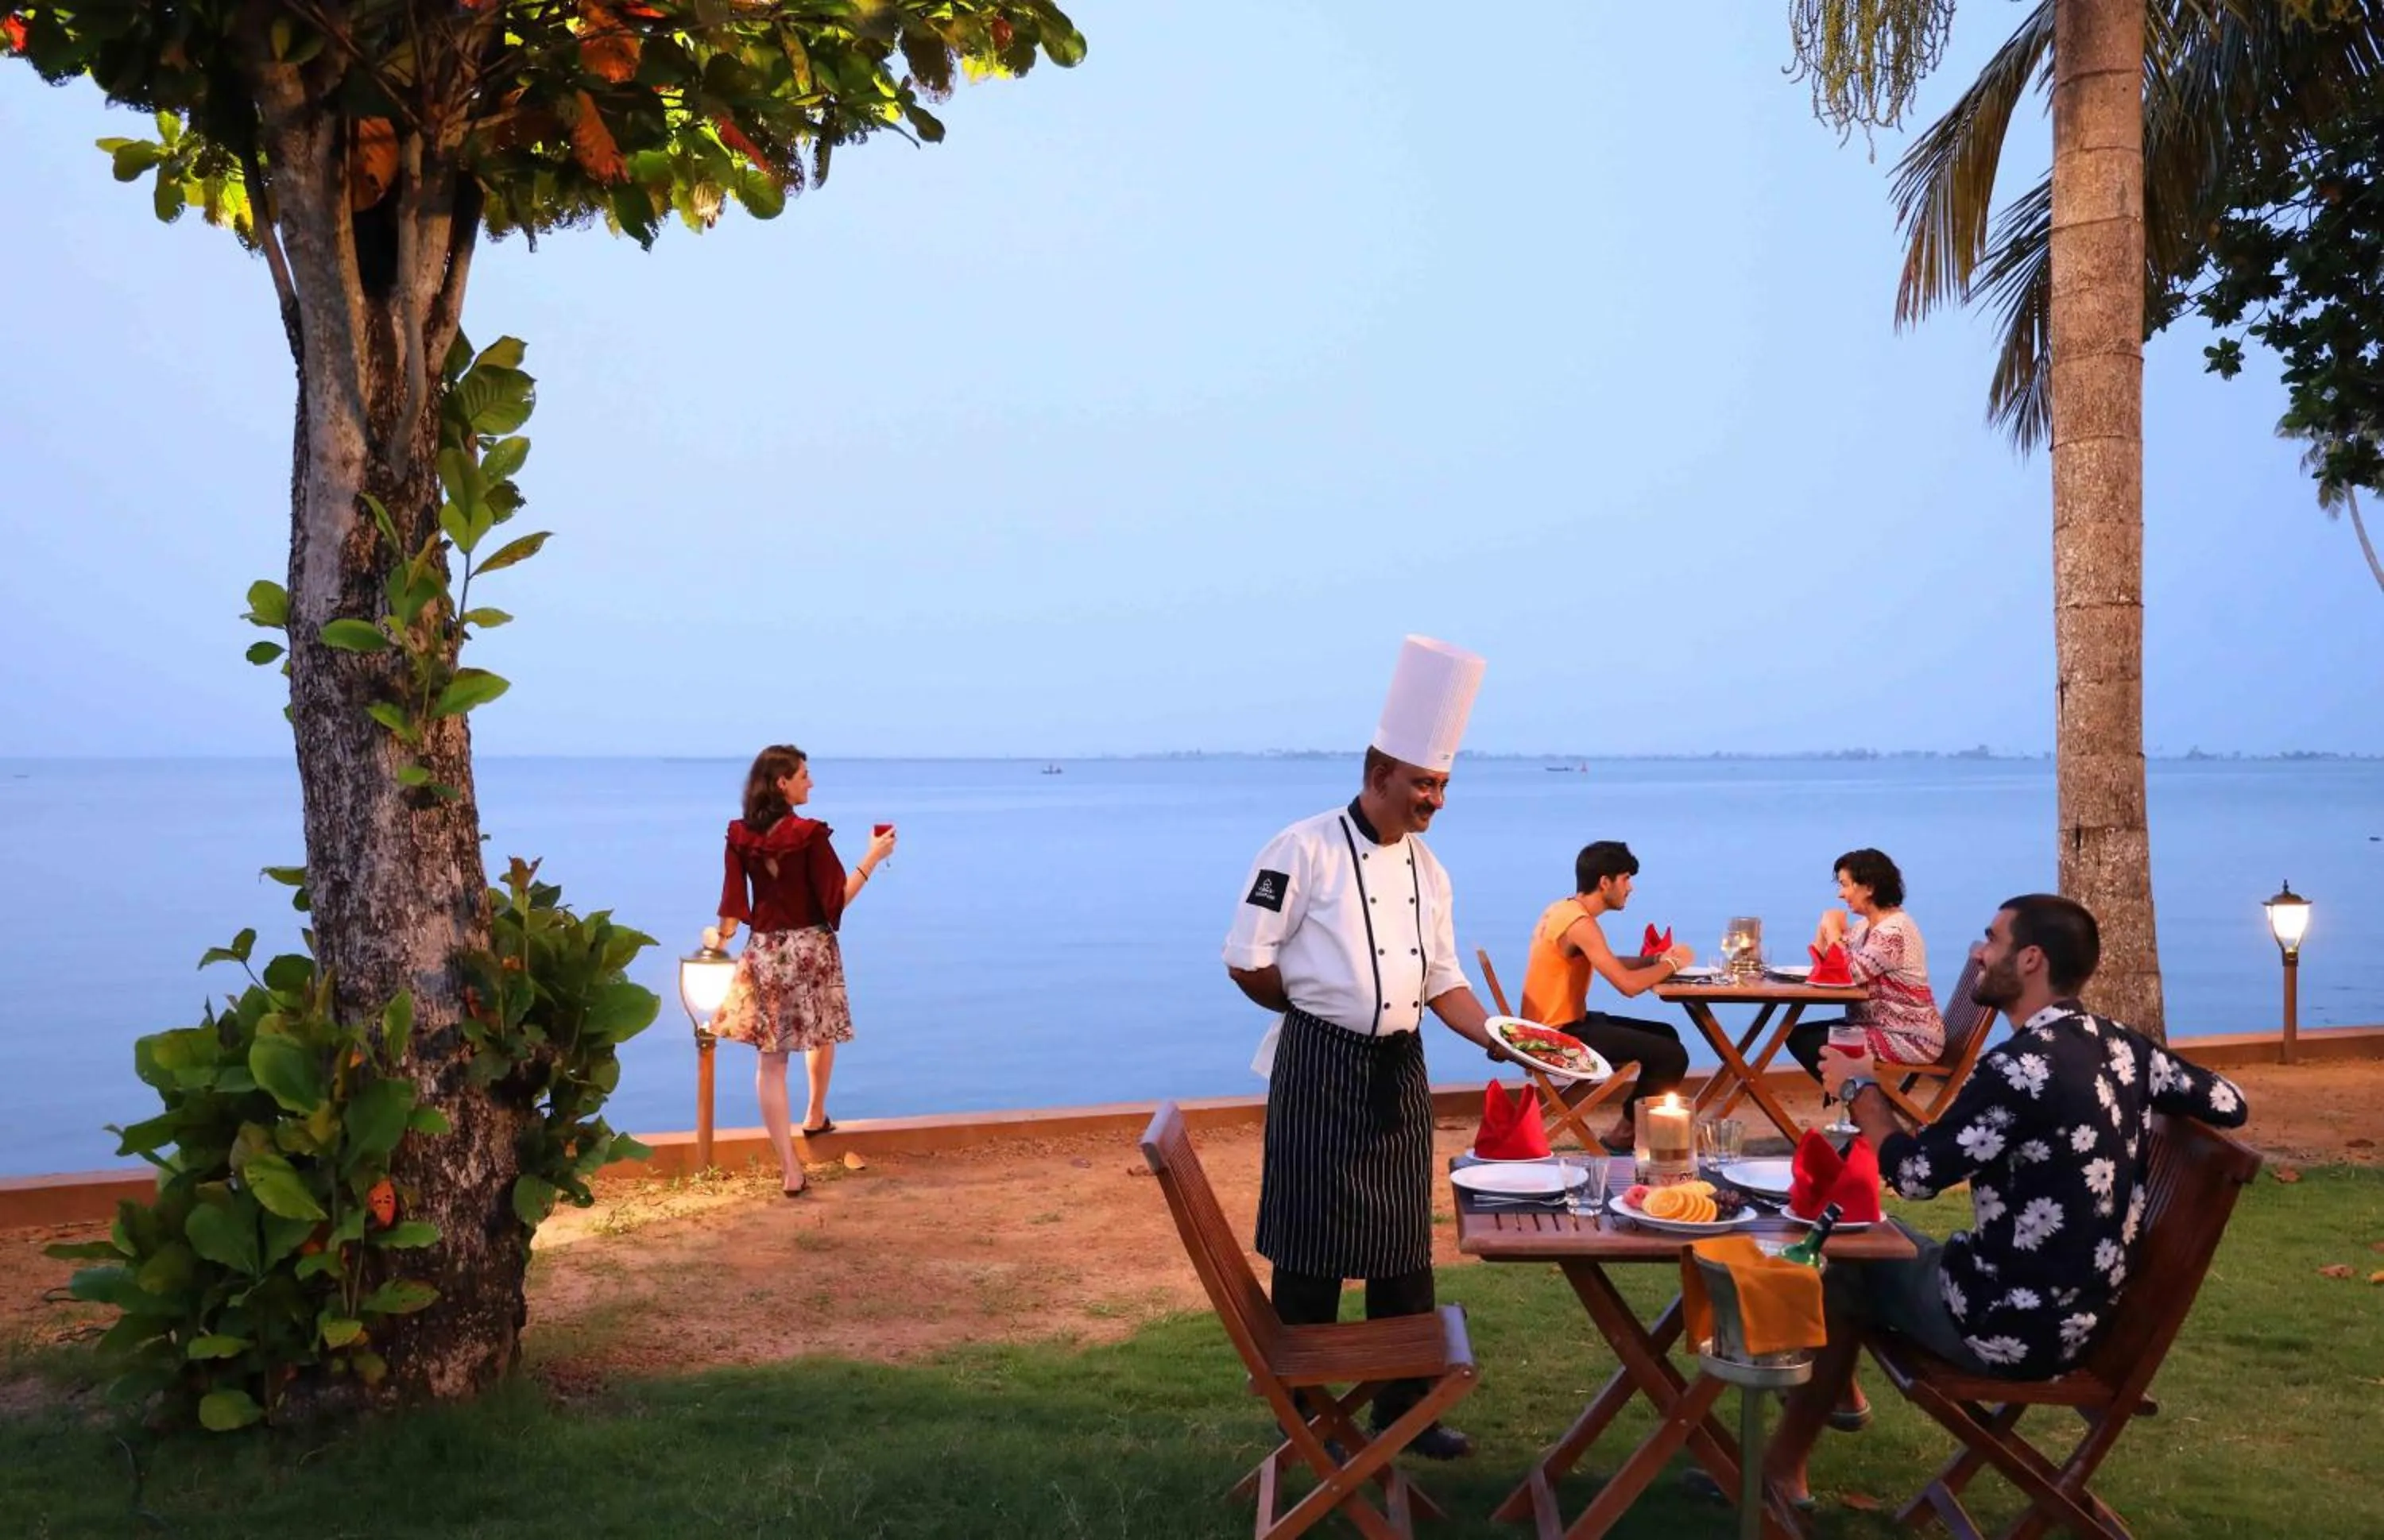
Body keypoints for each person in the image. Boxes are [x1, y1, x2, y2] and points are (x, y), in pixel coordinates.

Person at [1762, 894, 2249, 1511]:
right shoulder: (2118, 1046)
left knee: (1843, 1260)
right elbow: (2229, 1102)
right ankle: (1832, 1398)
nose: (1978, 953)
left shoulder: (2019, 1070)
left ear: (2030, 960)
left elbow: (1915, 1173)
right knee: (1873, 1238)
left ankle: (1782, 1468)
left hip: (2005, 1324)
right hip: (2083, 1316)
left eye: (1992, 940)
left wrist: (1861, 1089)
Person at [1223, 636, 1504, 1462]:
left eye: (1443, 784)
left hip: (1399, 1069)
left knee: (1402, 1246)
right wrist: (1316, 1010)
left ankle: (1406, 1410)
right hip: (1319, 1066)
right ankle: (1305, 1415)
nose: (1435, 799)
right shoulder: (1300, 849)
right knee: (1310, 1248)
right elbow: (1246, 960)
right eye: (1423, 783)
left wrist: (1499, 1037)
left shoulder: (1430, 870)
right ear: (1378, 772)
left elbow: (1443, 980)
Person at [706, 744, 896, 1198]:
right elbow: (835, 901)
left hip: (765, 951)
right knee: (821, 1028)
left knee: (771, 1063)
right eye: (804, 775)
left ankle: (791, 1170)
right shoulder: (809, 835)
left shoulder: (739, 836)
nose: (810, 782)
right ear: (782, 783)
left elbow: (732, 906)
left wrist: (720, 940)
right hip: (809, 949)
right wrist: (873, 857)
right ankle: (814, 1112)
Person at [1516, 840, 1695, 1153]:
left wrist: (1653, 961)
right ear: (1605, 882)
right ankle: (1625, 1136)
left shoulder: (1563, 910)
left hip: (1549, 1028)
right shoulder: (1580, 924)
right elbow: (1628, 986)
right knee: (1672, 1055)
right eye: (1625, 879)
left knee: (1666, 1035)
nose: (1630, 888)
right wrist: (1673, 964)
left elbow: (1608, 962)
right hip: (1554, 1039)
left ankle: (1627, 1130)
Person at [1784, 847, 1946, 1081]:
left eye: (1845, 885)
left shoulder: (1893, 932)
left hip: (1909, 1038)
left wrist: (1833, 931)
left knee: (1812, 1042)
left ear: (1869, 887)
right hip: (1878, 1027)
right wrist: (1824, 929)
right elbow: (1827, 972)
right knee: (1798, 1035)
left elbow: (1846, 975)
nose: (1841, 895)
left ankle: (1860, 1097)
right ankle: (1858, 1096)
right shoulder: (1864, 927)